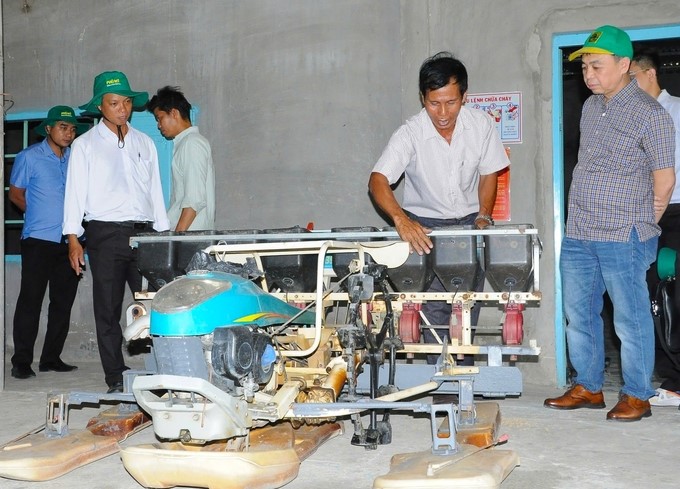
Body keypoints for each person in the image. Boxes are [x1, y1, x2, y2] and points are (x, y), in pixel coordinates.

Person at [544, 26, 676, 421]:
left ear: (624, 65)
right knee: (579, 312)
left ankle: (637, 394)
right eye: (584, 66)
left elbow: (664, 180)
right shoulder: (590, 107)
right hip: (581, 230)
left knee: (629, 315)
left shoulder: (651, 114)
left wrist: (640, 224)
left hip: (624, 233)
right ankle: (589, 385)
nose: (588, 74)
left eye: (596, 65)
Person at [368, 52, 509, 365]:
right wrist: (401, 222)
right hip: (424, 228)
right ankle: (440, 382)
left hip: (472, 224)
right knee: (433, 306)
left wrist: (484, 215)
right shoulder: (410, 133)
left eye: (451, 102)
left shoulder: (482, 125)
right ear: (422, 97)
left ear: (464, 97)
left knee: (466, 305)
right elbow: (378, 180)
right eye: (434, 103)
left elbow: (489, 173)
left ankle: (464, 380)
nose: (443, 112)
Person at [63, 71, 170, 393]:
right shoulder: (85, 145)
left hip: (144, 234)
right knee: (107, 308)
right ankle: (115, 375)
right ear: (100, 106)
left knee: (155, 304)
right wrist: (72, 239)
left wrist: (163, 236)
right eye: (114, 102)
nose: (122, 108)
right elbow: (74, 194)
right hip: (105, 234)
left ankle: (163, 370)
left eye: (126, 102)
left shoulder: (144, 142)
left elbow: (155, 191)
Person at [9, 106, 88, 379]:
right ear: (48, 129)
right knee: (30, 302)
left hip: (70, 242)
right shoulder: (29, 157)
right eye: (62, 127)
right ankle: (21, 361)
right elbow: (16, 194)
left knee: (62, 303)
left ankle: (51, 358)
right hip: (38, 241)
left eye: (72, 128)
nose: (68, 133)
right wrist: (38, 213)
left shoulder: (75, 159)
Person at [631, 50, 680, 407]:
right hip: (648, 218)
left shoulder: (676, 110)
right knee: (654, 297)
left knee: (675, 295)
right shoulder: (631, 118)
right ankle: (669, 377)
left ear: (648, 75)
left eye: (630, 78)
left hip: (676, 211)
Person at [146, 86, 215, 231]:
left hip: (189, 238)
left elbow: (194, 199)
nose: (159, 126)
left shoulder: (192, 143)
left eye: (160, 118)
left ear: (174, 113)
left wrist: (177, 239)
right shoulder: (186, 143)